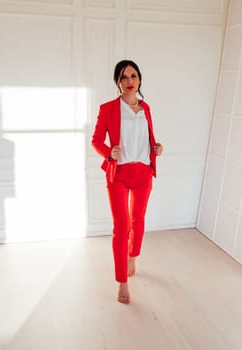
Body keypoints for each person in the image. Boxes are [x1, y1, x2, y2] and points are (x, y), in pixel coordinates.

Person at [92, 60, 163, 304]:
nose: (129, 81)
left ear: (139, 79)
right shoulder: (109, 109)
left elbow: (146, 138)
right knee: (121, 228)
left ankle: (133, 256)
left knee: (138, 221)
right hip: (119, 175)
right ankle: (122, 281)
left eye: (133, 76)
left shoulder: (146, 109)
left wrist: (156, 148)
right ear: (117, 83)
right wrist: (108, 152)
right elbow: (96, 141)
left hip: (143, 172)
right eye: (124, 77)